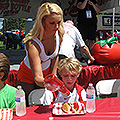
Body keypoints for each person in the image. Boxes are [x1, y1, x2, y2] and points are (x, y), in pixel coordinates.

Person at [17, 2, 64, 106]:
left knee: (47, 104)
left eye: (59, 22)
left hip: (46, 75)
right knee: (28, 106)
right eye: (52, 23)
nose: (56, 27)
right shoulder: (33, 43)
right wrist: (49, 84)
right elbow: (38, 77)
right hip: (27, 76)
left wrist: (53, 77)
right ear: (42, 21)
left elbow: (55, 56)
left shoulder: (59, 34)